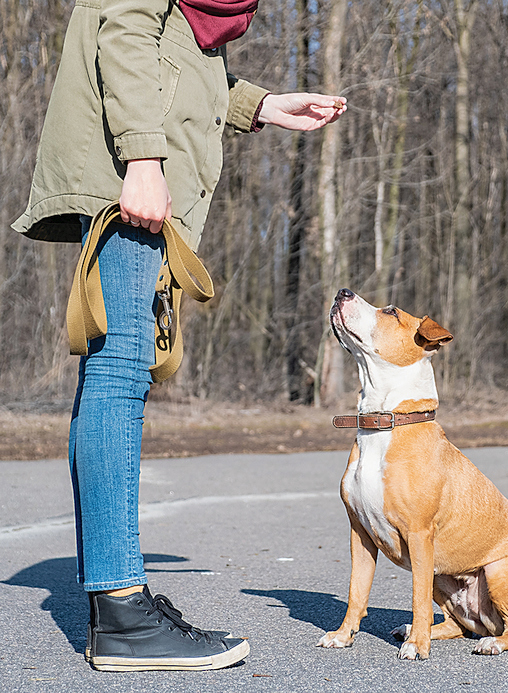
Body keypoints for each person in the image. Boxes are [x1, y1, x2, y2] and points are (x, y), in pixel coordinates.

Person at [12, 0, 346, 672]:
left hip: (133, 158)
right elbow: (125, 25)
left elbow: (178, 62)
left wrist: (259, 105)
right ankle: (122, 613)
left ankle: (121, 600)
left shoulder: (199, 21)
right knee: (118, 368)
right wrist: (143, 156)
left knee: (122, 367)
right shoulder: (139, 130)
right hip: (124, 166)